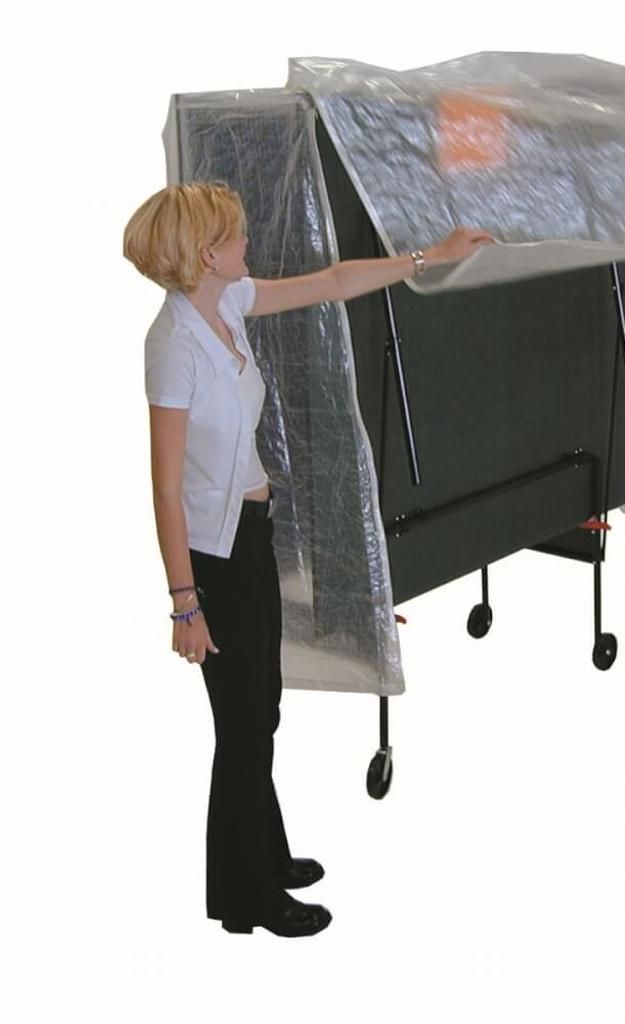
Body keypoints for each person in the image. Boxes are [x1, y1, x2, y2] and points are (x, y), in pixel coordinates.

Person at [123, 182, 494, 936]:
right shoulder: (173, 347)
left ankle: (265, 853)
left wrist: (428, 258)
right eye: (235, 235)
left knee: (261, 705)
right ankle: (246, 898)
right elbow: (164, 487)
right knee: (243, 725)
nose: (247, 242)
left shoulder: (225, 305)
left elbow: (331, 283)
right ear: (206, 254)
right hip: (214, 556)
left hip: (250, 535)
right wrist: (185, 604)